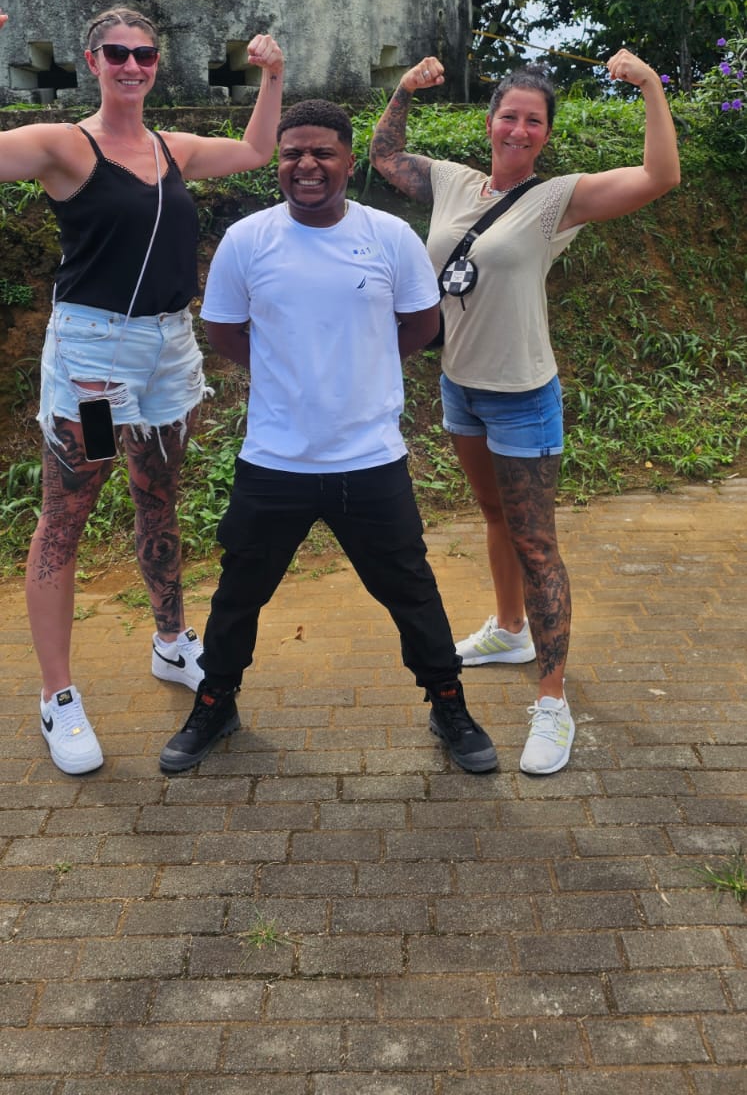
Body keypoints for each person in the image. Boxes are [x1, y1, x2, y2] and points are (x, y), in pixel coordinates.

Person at [158, 98, 498, 777]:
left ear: (346, 160)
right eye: (291, 154)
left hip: (368, 456)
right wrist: (286, 375)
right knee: (238, 593)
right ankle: (216, 700)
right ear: (277, 164)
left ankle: (448, 701)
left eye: (321, 153)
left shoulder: (389, 237)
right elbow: (225, 331)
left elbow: (421, 325)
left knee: (411, 589)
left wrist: (360, 367)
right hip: (274, 459)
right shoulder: (248, 240)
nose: (306, 166)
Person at [369, 49, 680, 775]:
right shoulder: (448, 181)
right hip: (460, 387)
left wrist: (651, 89)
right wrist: (405, 89)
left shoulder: (558, 199)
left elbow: (659, 178)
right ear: (488, 121)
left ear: (545, 134)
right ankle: (507, 629)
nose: (517, 129)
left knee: (536, 541)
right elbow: (382, 155)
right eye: (507, 115)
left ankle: (551, 698)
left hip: (521, 395)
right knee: (492, 517)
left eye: (532, 121)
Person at [0, 4, 284, 775]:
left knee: (159, 492)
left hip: (167, 351)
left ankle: (169, 641)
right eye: (117, 53)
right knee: (71, 508)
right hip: (95, 364)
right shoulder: (65, 145)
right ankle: (56, 697)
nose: (132, 65)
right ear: (91, 62)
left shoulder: (169, 148)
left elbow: (258, 149)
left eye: (146, 54)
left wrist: (273, 75)